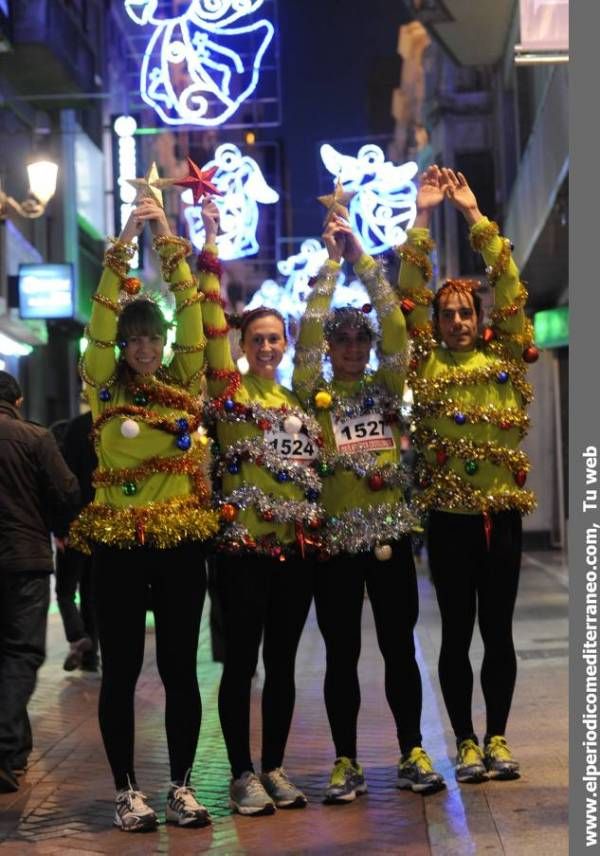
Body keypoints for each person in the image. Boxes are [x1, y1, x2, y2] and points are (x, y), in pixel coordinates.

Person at [70, 195, 219, 831]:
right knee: (122, 670)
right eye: (135, 339)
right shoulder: (102, 386)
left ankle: (181, 787)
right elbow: (100, 325)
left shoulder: (185, 381)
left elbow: (191, 312)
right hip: (119, 546)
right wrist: (123, 240)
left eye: (153, 338)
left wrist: (166, 238)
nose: (145, 348)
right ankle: (126, 790)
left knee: (181, 668)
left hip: (181, 544)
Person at [292, 217, 445, 802]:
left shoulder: (386, 386)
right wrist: (331, 266)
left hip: (390, 537)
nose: (353, 347)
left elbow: (398, 328)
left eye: (361, 339)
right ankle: (345, 761)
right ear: (330, 349)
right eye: (342, 340)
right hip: (334, 541)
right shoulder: (313, 393)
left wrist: (362, 258)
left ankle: (411, 750)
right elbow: (304, 333)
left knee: (399, 648)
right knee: (340, 656)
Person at [396, 165, 536, 782]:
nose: (455, 320)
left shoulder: (505, 355)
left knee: (498, 633)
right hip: (448, 524)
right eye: (446, 313)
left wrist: (474, 215)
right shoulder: (423, 363)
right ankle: (465, 741)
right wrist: (423, 216)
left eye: (463, 312)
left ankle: (499, 737)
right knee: (455, 635)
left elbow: (508, 283)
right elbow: (406, 296)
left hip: (500, 518)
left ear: (479, 318)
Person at [198, 198, 322, 816]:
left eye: (276, 338)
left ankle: (274, 766)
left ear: (286, 341)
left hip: (293, 553)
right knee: (241, 664)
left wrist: (335, 252)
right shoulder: (229, 390)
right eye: (258, 339)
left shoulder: (301, 397)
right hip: (241, 552)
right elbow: (210, 317)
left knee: (281, 664)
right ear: (242, 344)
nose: (268, 346)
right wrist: (212, 243)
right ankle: (241, 773)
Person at [0, 371, 80, 793]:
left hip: (20, 556)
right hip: (24, 561)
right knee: (20, 653)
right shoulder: (34, 436)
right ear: (18, 401)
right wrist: (58, 526)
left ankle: (14, 750)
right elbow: (66, 490)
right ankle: (5, 748)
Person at [52, 409, 99, 672]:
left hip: (76, 521)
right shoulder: (114, 423)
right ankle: (92, 658)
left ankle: (79, 636)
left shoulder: (77, 428)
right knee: (91, 591)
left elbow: (65, 481)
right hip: (104, 521)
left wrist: (61, 528)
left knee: (65, 590)